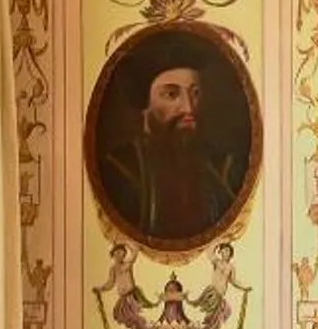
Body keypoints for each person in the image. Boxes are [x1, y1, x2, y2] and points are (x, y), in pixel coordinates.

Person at [95, 55, 247, 247]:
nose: (189, 108)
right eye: (171, 94)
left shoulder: (224, 168)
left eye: (195, 93)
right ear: (144, 105)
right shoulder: (118, 170)